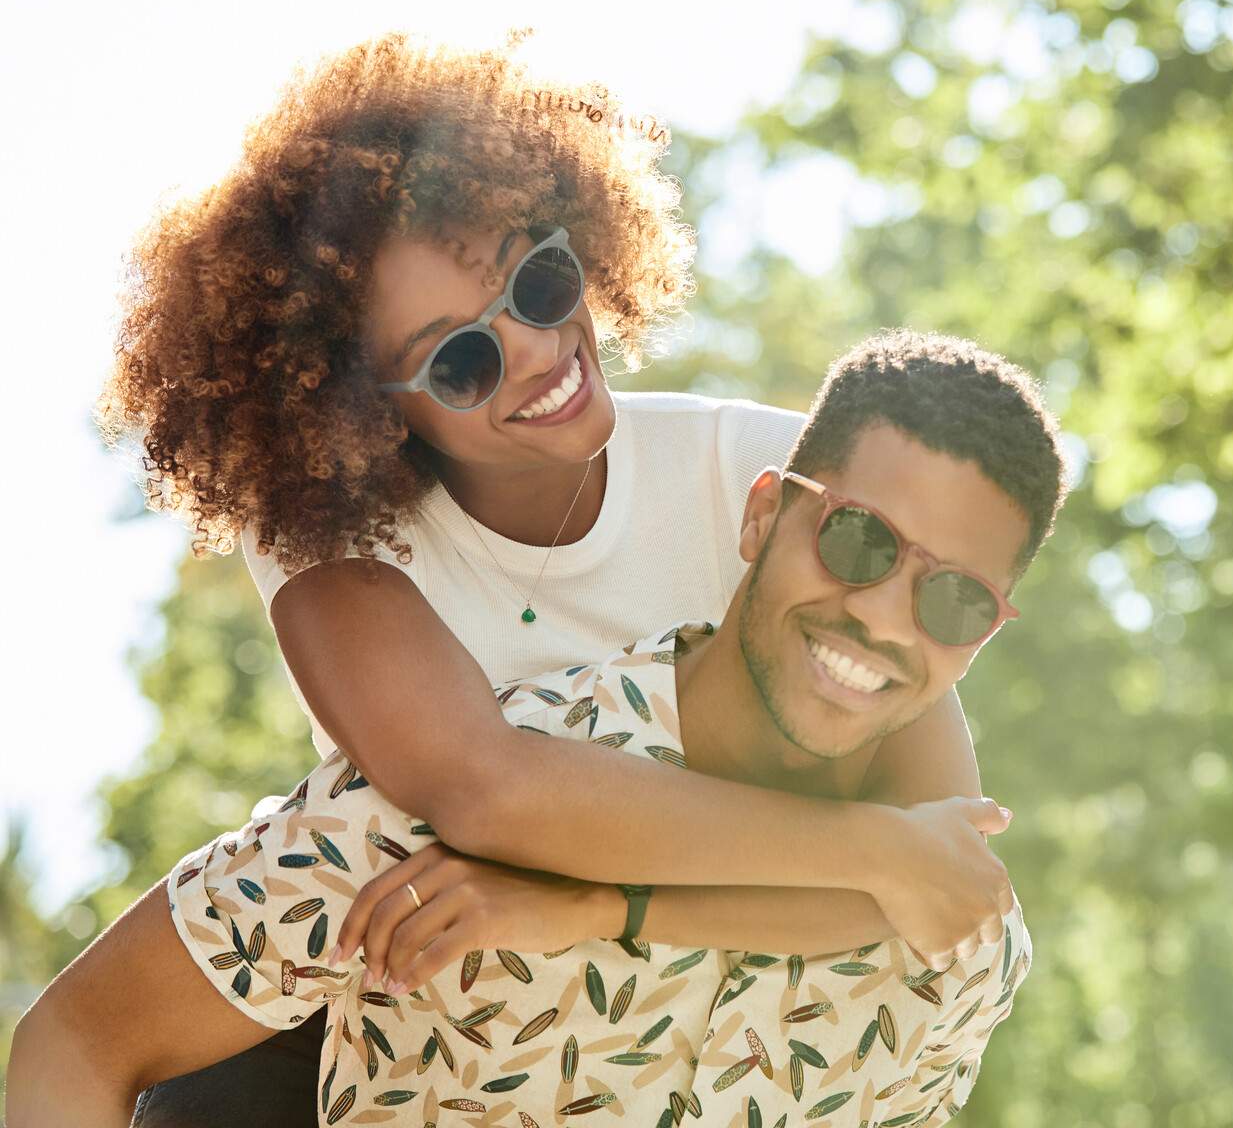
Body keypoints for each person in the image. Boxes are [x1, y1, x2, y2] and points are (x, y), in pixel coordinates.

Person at [78, 33, 1014, 1123]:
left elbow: (938, 883)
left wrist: (597, 906)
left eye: (537, 280)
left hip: (639, 1022)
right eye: (458, 358)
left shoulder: (777, 487)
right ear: (362, 411)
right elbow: (486, 788)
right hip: (377, 1005)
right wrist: (862, 848)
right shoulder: (333, 546)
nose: (531, 348)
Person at [11, 330, 1064, 1127]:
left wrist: (606, 908)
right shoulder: (406, 799)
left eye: (958, 601)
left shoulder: (957, 970)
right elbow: (81, 1035)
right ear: (762, 518)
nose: (884, 615)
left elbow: (934, 883)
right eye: (859, 542)